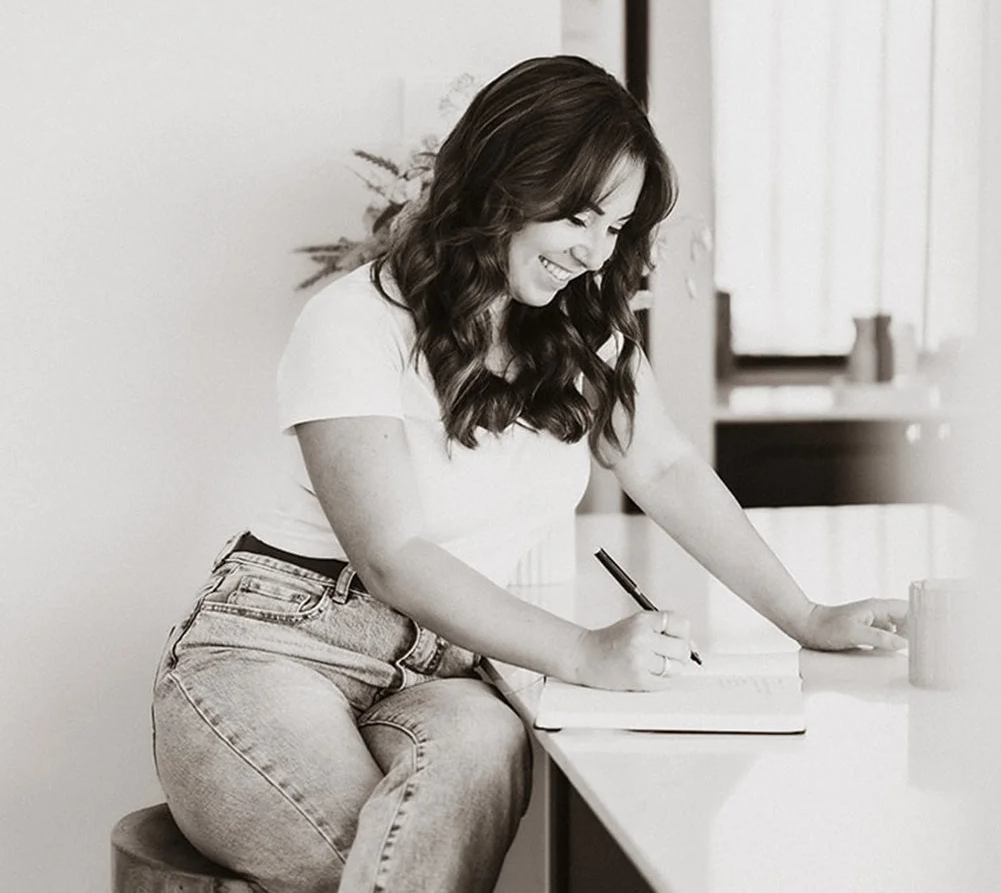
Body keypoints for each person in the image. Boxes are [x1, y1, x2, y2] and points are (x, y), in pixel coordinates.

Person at [151, 55, 908, 893]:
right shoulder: (355, 320)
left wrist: (805, 615)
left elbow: (665, 468)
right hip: (278, 647)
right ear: (502, 184)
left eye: (615, 228)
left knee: (483, 747)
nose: (594, 251)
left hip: (445, 664)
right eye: (579, 216)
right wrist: (585, 653)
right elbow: (391, 555)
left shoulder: (580, 339)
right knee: (382, 876)